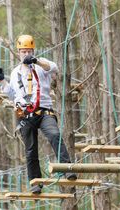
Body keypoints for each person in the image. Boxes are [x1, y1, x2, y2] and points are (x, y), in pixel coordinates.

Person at [9, 34, 77, 194]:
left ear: (33, 51)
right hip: (26, 114)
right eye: (23, 51)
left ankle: (67, 168)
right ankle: (35, 182)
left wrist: (35, 61)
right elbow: (12, 94)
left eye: (28, 51)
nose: (26, 54)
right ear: (19, 52)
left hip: (45, 111)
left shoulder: (41, 65)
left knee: (54, 135)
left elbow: (53, 68)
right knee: (31, 150)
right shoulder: (15, 73)